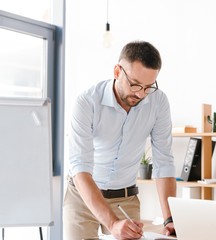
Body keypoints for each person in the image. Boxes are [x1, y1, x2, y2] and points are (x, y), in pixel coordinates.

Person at [63, 41, 176, 240]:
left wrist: (169, 219)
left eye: (148, 87)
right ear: (117, 71)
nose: (140, 94)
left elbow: (164, 162)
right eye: (134, 84)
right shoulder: (87, 102)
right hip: (82, 196)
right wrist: (112, 223)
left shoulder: (158, 103)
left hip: (125, 198)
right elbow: (80, 167)